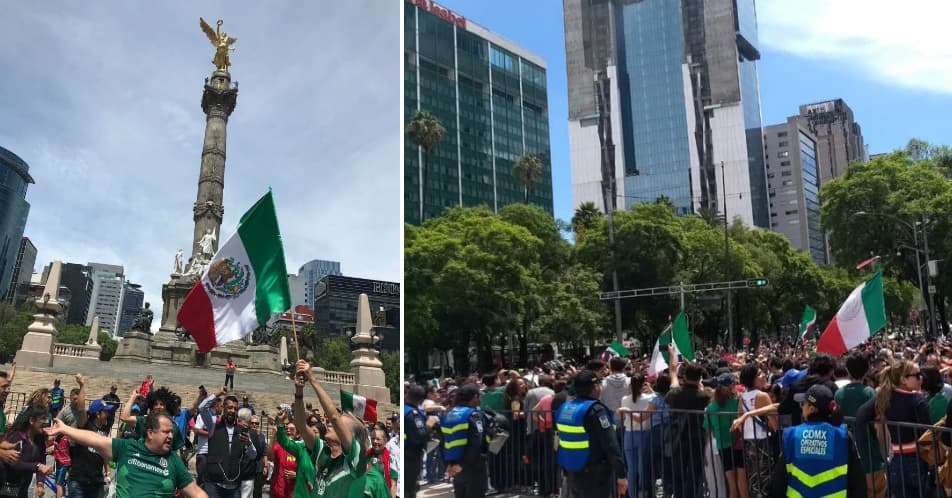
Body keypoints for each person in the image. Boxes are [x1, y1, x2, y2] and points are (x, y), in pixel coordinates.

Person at [45, 410, 208, 498]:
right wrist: (65, 429)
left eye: (172, 432)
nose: (171, 436)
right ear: (150, 433)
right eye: (166, 432)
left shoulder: (173, 460)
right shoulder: (127, 448)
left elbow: (195, 492)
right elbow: (95, 439)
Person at [770, 384, 866, 497]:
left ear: (811, 408)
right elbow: (857, 480)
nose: (801, 407)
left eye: (803, 404)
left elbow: (779, 481)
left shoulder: (792, 435)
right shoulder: (842, 435)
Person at [855, 359, 933, 498]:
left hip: (896, 461)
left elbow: (861, 416)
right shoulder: (918, 400)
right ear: (903, 379)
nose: (920, 378)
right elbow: (928, 434)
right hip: (918, 460)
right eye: (917, 375)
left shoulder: (885, 396)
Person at [293, 360, 369, 497]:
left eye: (337, 426)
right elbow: (301, 426)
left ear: (348, 434)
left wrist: (312, 379)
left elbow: (334, 416)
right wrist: (299, 391)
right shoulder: (323, 450)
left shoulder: (356, 460)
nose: (329, 424)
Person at [555, 370, 627, 498]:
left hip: (571, 469)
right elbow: (610, 443)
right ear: (595, 387)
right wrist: (621, 474)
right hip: (594, 473)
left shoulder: (565, 408)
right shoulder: (596, 410)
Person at [664, 361, 710, 497]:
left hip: (677, 438)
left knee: (678, 472)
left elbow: (673, 381)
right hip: (698, 438)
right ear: (700, 378)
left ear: (684, 377)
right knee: (695, 472)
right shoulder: (705, 396)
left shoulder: (674, 394)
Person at [202, 396, 258, 498]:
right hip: (214, 484)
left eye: (235, 409)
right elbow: (202, 408)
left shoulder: (242, 429)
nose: (233, 411)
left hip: (234, 485)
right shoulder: (213, 424)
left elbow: (253, 455)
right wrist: (217, 394)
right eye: (230, 407)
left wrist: (248, 443)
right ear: (223, 407)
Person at [704, 373, 747, 498]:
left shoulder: (711, 407)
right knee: (741, 483)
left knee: (732, 484)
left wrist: (705, 451)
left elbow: (707, 430)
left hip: (723, 446)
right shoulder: (736, 401)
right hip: (737, 444)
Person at [441, 384, 488, 498]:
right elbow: (476, 443)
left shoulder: (448, 414)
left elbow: (443, 442)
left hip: (455, 467)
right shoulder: (474, 415)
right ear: (474, 397)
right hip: (472, 466)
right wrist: (463, 465)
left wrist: (450, 465)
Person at [738, 363, 777, 498]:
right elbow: (774, 424)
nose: (763, 376)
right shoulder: (762, 396)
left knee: (754, 478)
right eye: (760, 374)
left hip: (748, 441)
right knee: (765, 479)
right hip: (762, 442)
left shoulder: (742, 397)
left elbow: (740, 420)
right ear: (753, 379)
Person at [68, 399, 117, 498]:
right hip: (80, 481)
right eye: (105, 411)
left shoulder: (104, 430)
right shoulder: (85, 426)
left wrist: (107, 473)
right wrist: (82, 386)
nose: (108, 414)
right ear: (98, 414)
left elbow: (104, 454)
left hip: (97, 482)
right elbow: (81, 410)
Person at [1, 404, 52, 498]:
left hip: (23, 490)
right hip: (7, 489)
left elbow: (42, 460)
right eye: (43, 418)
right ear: (32, 420)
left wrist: (40, 483)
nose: (46, 422)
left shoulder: (39, 439)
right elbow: (14, 462)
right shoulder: (16, 437)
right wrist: (37, 466)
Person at [617, 372, 652, 498]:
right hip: (644, 435)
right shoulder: (649, 399)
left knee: (631, 470)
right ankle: (643, 494)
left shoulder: (624, 400)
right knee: (642, 469)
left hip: (629, 434)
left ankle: (632, 495)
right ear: (643, 384)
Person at [404, 385, 437, 498]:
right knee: (409, 489)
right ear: (421, 400)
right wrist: (429, 425)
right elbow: (420, 435)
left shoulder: (404, 410)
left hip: (406, 455)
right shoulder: (413, 414)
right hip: (411, 457)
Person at [268, 417, 301, 498]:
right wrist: (273, 436)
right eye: (286, 429)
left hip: (294, 492)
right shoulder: (279, 446)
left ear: (298, 434)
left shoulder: (302, 448)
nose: (288, 431)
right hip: (278, 491)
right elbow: (270, 457)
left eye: (292, 429)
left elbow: (309, 471)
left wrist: (298, 474)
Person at [248, 415, 267, 498]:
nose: (254, 425)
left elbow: (265, 453)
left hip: (259, 466)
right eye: (252, 423)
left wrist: (265, 466)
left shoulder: (262, 436)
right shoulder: (246, 435)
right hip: (248, 466)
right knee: (247, 490)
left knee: (258, 490)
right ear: (249, 423)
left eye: (256, 423)